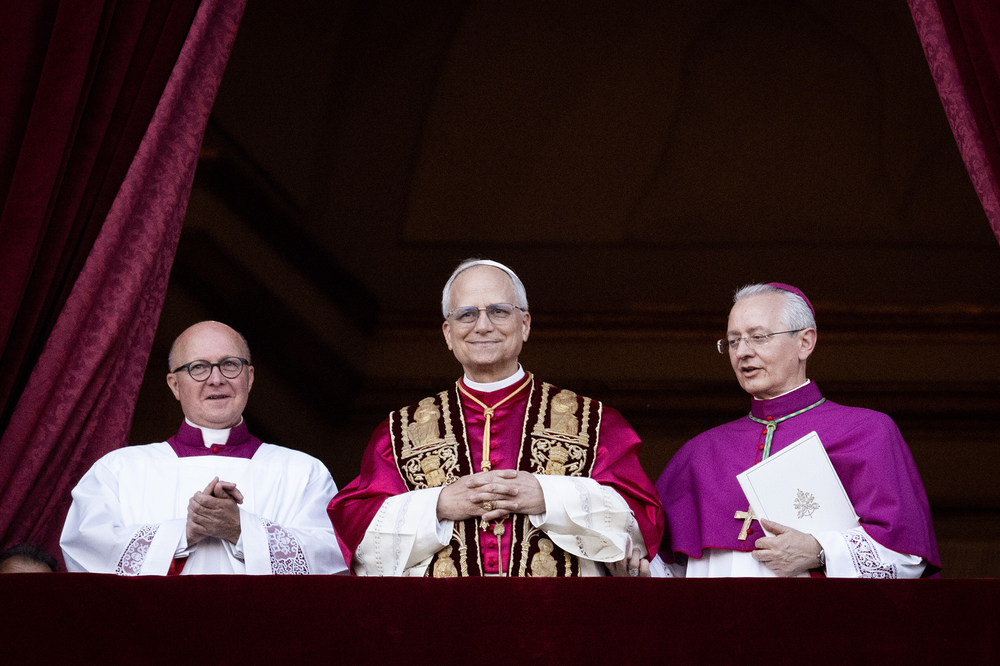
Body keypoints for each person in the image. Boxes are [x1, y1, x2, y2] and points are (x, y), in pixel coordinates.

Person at [328, 259, 664, 576]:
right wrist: (438, 505)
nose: (483, 326)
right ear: (448, 333)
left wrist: (548, 496)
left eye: (499, 311)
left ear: (525, 324)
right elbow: (357, 532)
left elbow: (641, 521)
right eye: (466, 315)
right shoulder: (400, 431)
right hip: (439, 613)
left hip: (557, 612)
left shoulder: (594, 422)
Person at [653, 283, 940, 578]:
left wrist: (820, 550)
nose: (742, 352)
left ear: (805, 342)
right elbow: (661, 568)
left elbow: (907, 557)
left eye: (758, 337)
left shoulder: (867, 432)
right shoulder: (700, 452)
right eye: (733, 341)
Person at [60, 321, 347, 575]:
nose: (216, 379)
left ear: (249, 377)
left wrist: (242, 530)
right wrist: (183, 533)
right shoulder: (119, 470)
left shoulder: (304, 473)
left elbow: (334, 558)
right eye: (198, 367)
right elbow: (85, 549)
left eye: (230, 364)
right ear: (174, 385)